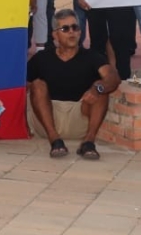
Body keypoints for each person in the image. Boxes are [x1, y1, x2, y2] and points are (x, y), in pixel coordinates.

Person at [26, 9, 118, 160]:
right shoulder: (41, 58)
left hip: (79, 118)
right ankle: (55, 140)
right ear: (55, 35)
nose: (72, 32)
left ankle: (88, 143)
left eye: (75, 27)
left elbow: (113, 78)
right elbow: (23, 87)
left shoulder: (93, 56)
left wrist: (98, 88)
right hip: (47, 119)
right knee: (37, 85)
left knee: (100, 87)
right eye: (65, 29)